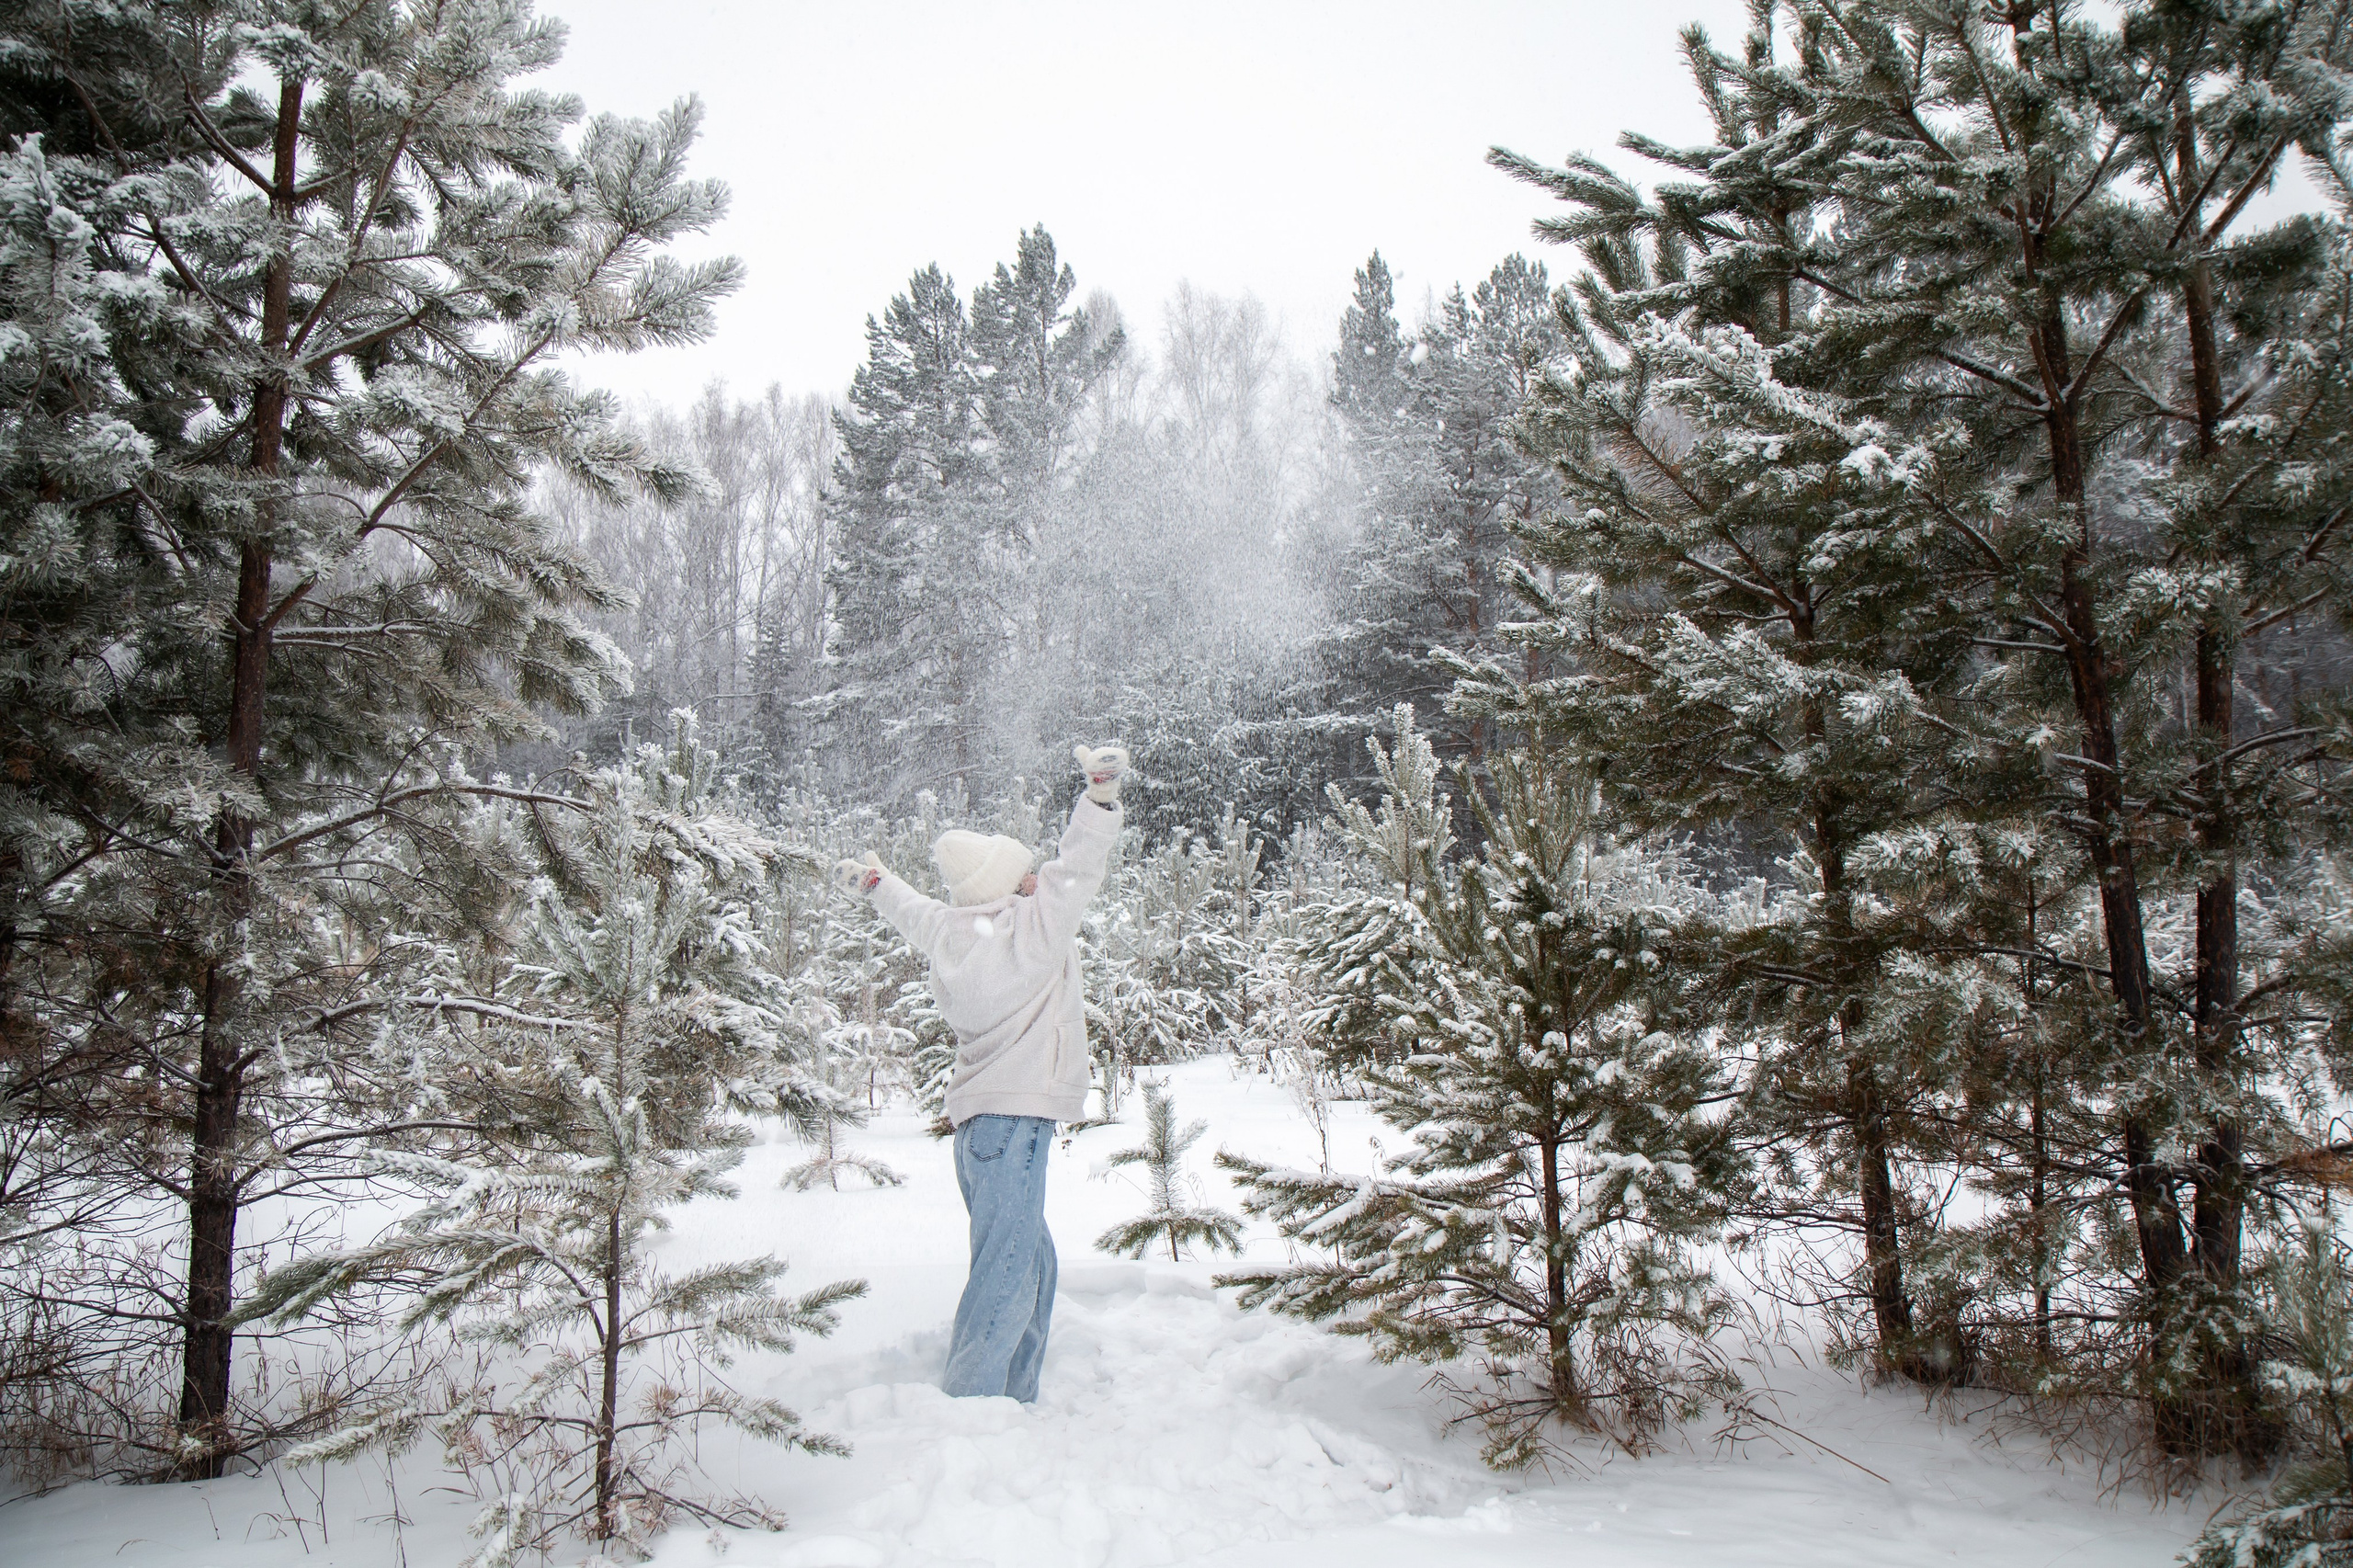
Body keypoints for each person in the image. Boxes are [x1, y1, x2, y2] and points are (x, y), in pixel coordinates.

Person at [835, 743, 1129, 1402]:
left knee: (1029, 1261)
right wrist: (1099, 797)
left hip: (978, 1132)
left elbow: (911, 909)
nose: (1035, 879)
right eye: (1024, 874)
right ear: (1009, 887)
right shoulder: (1033, 931)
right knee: (1006, 1273)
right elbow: (1076, 867)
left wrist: (878, 884)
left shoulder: (950, 931)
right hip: (1015, 1122)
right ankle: (971, 1409)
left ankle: (1013, 1397)